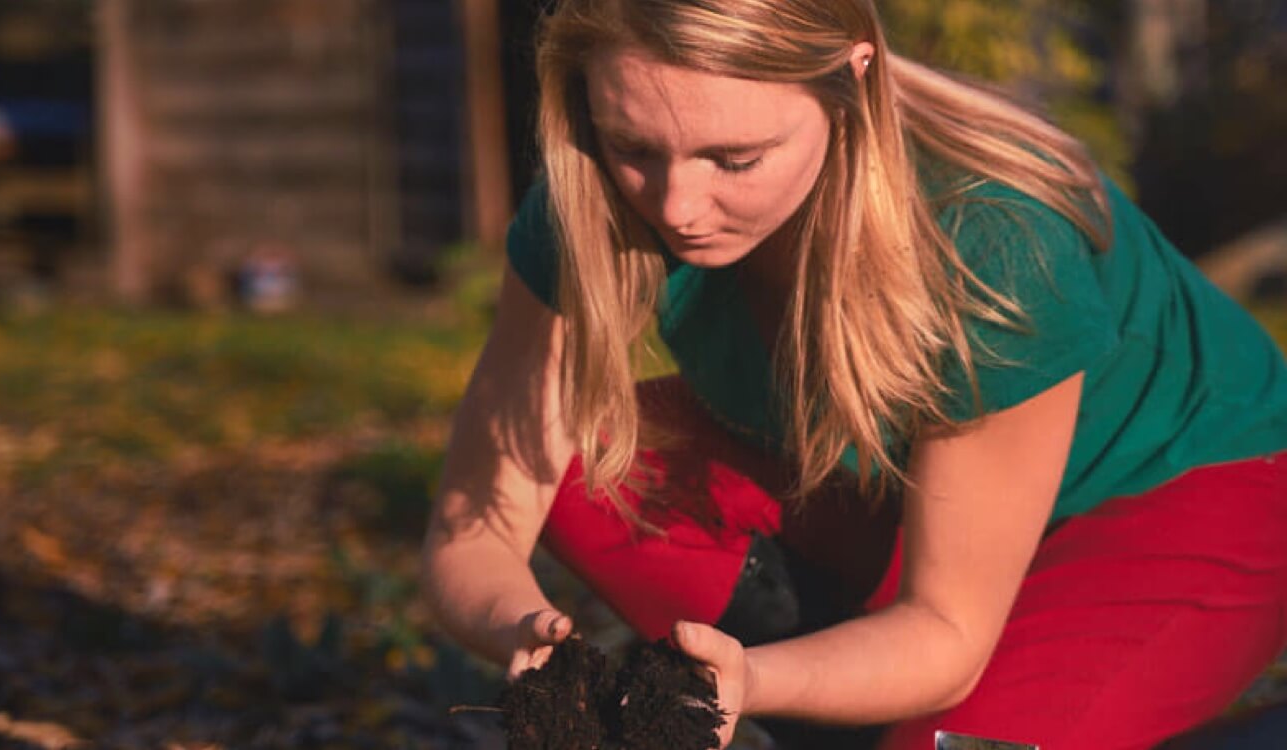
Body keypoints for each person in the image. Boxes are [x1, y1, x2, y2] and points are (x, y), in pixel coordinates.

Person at [420, 0, 1287, 747]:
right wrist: (526, 630)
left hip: (1182, 499)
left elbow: (946, 629)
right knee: (587, 458)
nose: (677, 207)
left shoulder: (992, 240)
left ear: (850, 83)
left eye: (735, 159)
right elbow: (478, 525)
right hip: (926, 501)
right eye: (633, 146)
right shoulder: (595, 193)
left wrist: (752, 680)